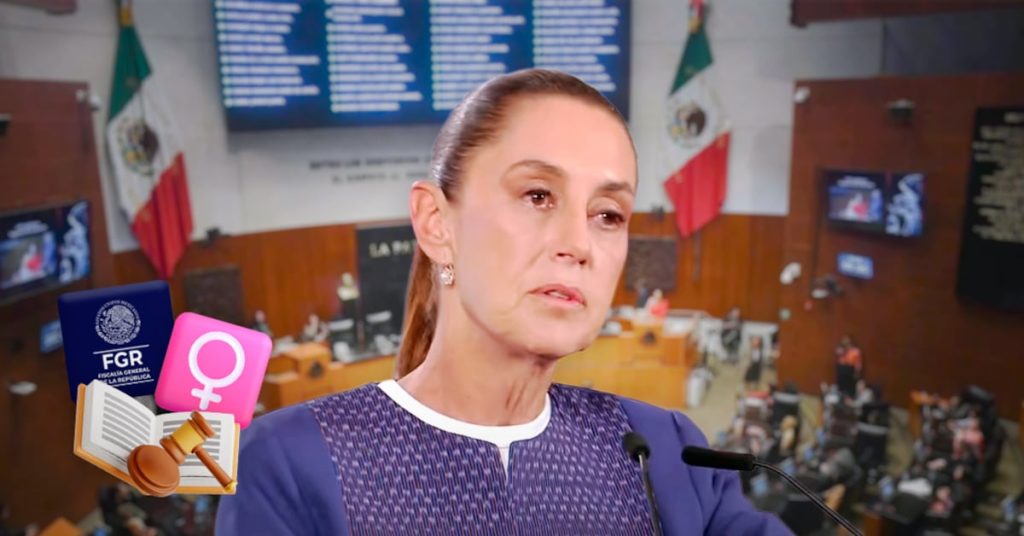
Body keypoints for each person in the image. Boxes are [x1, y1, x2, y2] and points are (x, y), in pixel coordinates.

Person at [216, 69, 790, 535]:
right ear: (436, 223)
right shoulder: (292, 464)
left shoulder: (669, 452)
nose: (579, 244)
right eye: (538, 195)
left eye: (607, 214)